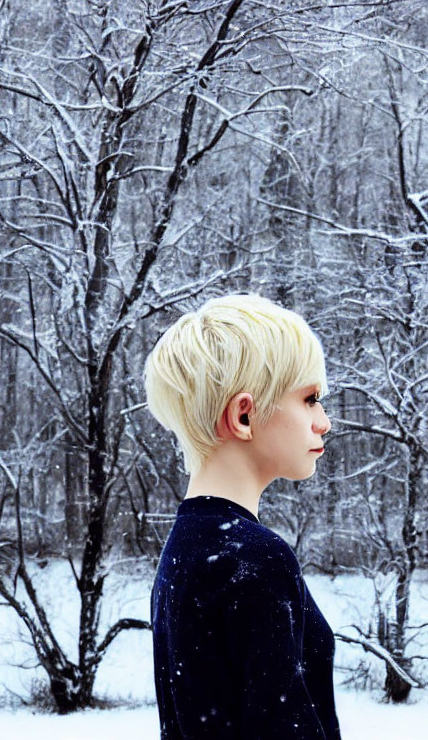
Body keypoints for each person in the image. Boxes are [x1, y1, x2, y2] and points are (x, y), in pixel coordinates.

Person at [143, 292, 341, 739]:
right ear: (244, 415)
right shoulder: (254, 557)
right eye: (310, 398)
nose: (324, 421)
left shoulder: (185, 548)